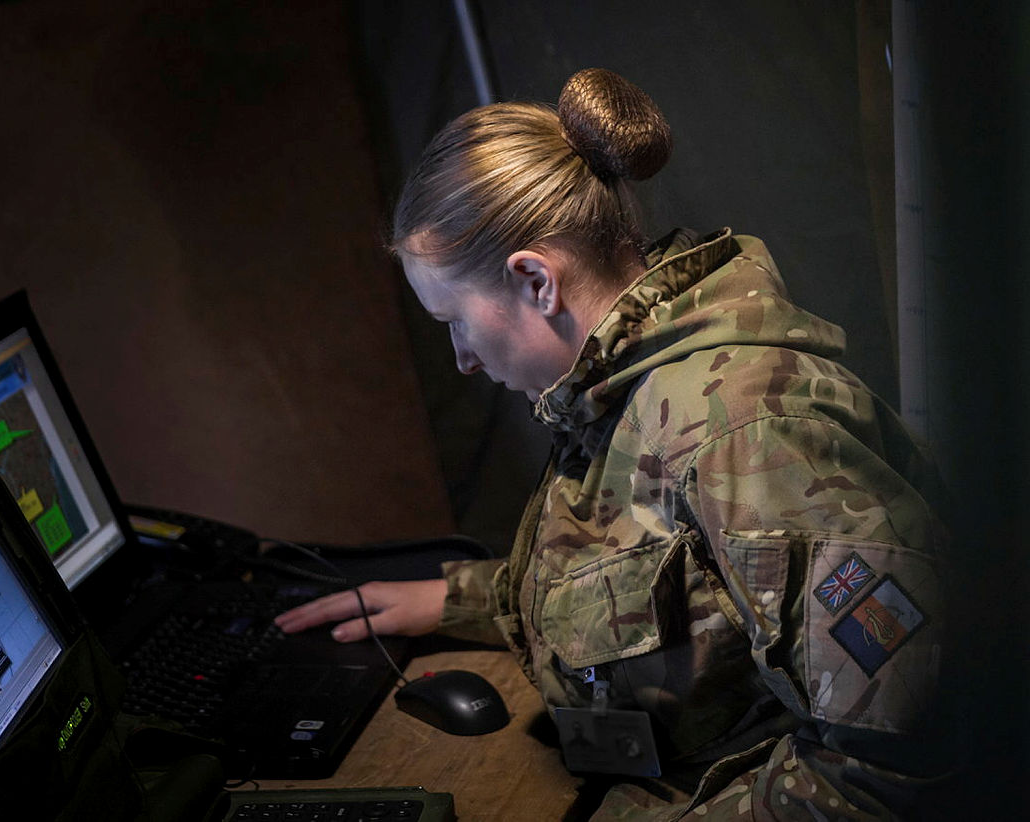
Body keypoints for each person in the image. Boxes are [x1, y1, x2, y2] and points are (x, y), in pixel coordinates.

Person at [275, 68, 949, 820]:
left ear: (536, 282)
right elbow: (657, 578)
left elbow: (905, 764)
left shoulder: (747, 438)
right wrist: (465, 600)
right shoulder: (619, 388)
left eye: (455, 321)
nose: (462, 358)